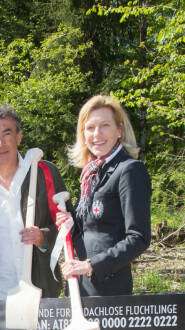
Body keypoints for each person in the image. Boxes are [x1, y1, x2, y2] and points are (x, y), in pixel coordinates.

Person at [0, 104, 70, 300]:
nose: (0, 143)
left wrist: (43, 238)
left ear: (19, 137)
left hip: (40, 291)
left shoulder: (44, 174)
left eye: (7, 133)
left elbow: (69, 228)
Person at [58, 95, 151, 296]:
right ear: (83, 133)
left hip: (109, 290)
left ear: (119, 130)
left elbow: (139, 238)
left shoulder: (130, 170)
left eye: (105, 125)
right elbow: (95, 228)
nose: (96, 134)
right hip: (80, 287)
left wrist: (91, 265)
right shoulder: (91, 174)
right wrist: (71, 222)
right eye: (90, 127)